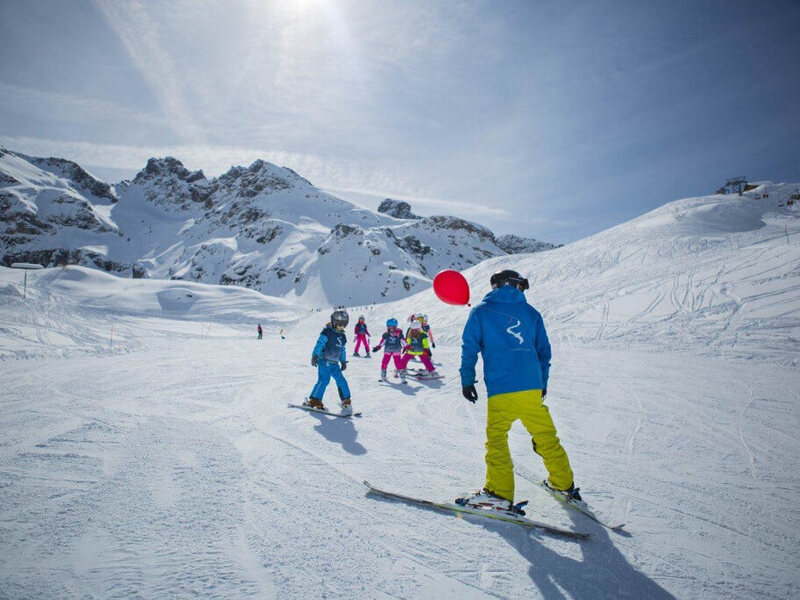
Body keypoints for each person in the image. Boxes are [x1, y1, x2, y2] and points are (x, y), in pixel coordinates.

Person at [458, 269, 579, 512]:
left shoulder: (480, 311)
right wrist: (542, 384)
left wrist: (467, 381)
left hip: (502, 388)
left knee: (497, 439)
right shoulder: (532, 313)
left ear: (497, 285)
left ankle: (498, 493)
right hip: (531, 386)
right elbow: (544, 353)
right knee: (545, 435)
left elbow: (469, 348)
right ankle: (563, 484)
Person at [306, 309, 353, 413]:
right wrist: (315, 355)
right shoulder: (327, 332)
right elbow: (320, 344)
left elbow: (342, 350)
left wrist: (343, 361)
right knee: (324, 380)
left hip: (334, 364)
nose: (341, 327)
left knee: (341, 381)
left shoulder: (342, 336)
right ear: (334, 322)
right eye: (339, 324)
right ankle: (314, 401)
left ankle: (346, 401)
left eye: (344, 325)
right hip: (324, 361)